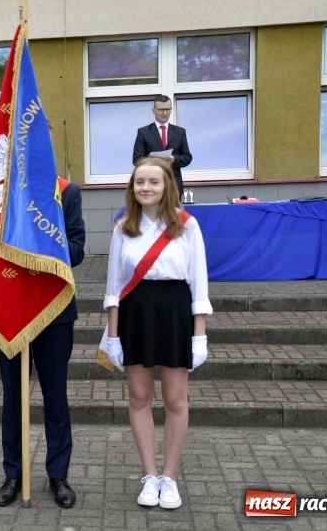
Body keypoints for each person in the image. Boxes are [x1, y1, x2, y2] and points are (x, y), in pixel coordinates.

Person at [103, 157, 212, 510]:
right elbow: (114, 288)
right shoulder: (123, 228)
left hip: (175, 311)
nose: (146, 188)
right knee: (138, 397)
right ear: (132, 188)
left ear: (167, 185)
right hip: (135, 312)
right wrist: (114, 336)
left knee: (176, 400)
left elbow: (199, 284)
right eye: (139, 182)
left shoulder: (187, 225)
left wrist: (200, 335)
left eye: (153, 181)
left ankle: (170, 477)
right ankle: (150, 475)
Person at [0, 176, 86, 509]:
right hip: (10, 310)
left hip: (54, 310)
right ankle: (14, 474)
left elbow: (77, 249)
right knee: (13, 397)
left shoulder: (66, 191)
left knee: (55, 395)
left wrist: (41, 241)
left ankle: (58, 474)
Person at [132, 95, 192, 199]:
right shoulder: (143, 132)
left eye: (167, 109)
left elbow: (187, 157)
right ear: (153, 111)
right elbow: (137, 159)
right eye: (161, 110)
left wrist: (174, 160)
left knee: (174, 215)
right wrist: (154, 161)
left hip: (174, 184)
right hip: (151, 185)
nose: (165, 113)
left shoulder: (180, 132)